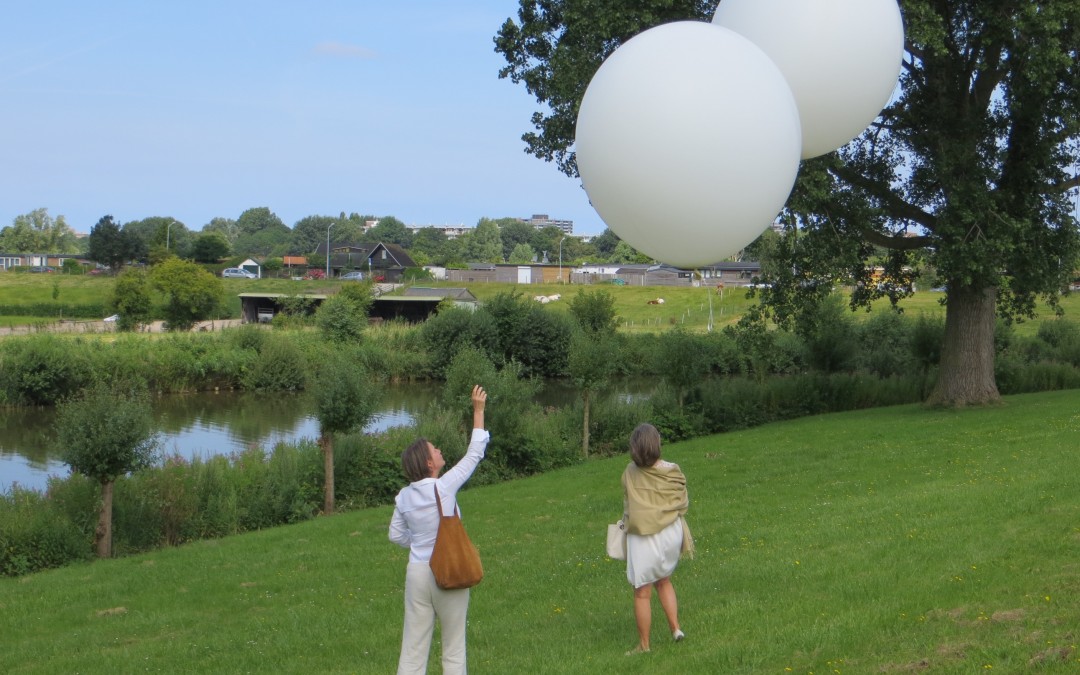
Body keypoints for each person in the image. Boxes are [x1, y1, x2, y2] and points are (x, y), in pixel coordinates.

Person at [389, 385, 489, 675]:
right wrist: (478, 411)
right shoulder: (443, 488)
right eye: (436, 449)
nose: (440, 449)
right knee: (454, 648)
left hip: (417, 574)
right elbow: (474, 454)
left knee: (413, 648)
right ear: (429, 463)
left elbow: (395, 535)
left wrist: (420, 541)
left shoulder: (403, 496)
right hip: (447, 569)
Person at [621, 422, 694, 655]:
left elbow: (630, 509)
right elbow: (682, 502)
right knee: (664, 580)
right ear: (657, 444)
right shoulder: (673, 469)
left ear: (635, 447)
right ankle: (676, 629)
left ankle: (644, 646)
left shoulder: (630, 472)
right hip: (671, 534)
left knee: (642, 591)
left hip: (644, 536)